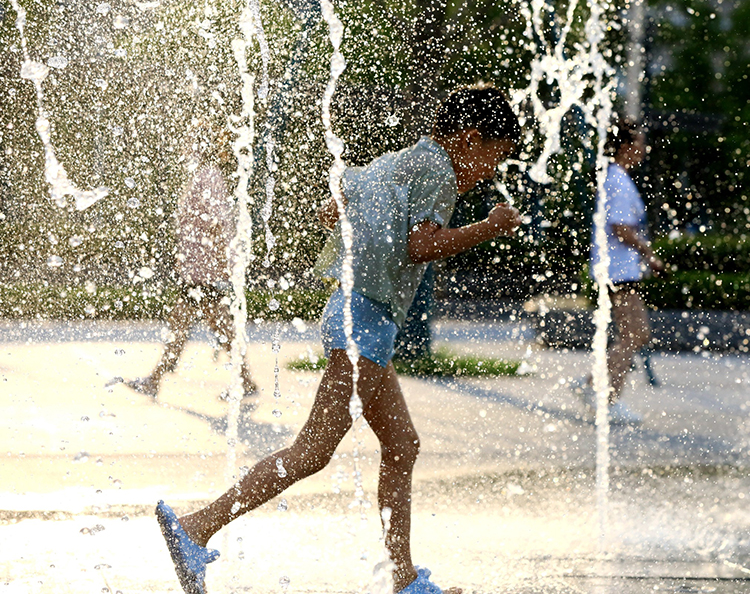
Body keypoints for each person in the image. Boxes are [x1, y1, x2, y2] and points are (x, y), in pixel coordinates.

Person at [155, 85, 522, 594]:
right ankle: (198, 527)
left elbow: (337, 205)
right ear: (471, 138)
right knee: (313, 450)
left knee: (401, 445)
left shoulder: (407, 160)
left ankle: (405, 579)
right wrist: (488, 227)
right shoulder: (441, 174)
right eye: (493, 157)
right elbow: (421, 245)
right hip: (364, 324)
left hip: (355, 313)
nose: (490, 172)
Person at [121, 123, 258, 400]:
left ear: (200, 146)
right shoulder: (204, 175)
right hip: (198, 268)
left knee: (201, 324)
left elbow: (220, 222)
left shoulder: (208, 176)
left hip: (204, 271)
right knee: (192, 323)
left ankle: (157, 380)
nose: (185, 146)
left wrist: (221, 264)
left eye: (190, 141)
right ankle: (159, 379)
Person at [573, 118, 664, 425]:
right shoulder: (618, 180)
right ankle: (605, 397)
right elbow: (622, 229)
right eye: (638, 142)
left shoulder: (616, 177)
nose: (642, 148)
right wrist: (648, 253)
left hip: (617, 269)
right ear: (626, 147)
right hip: (619, 270)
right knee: (635, 333)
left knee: (634, 333)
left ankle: (593, 387)